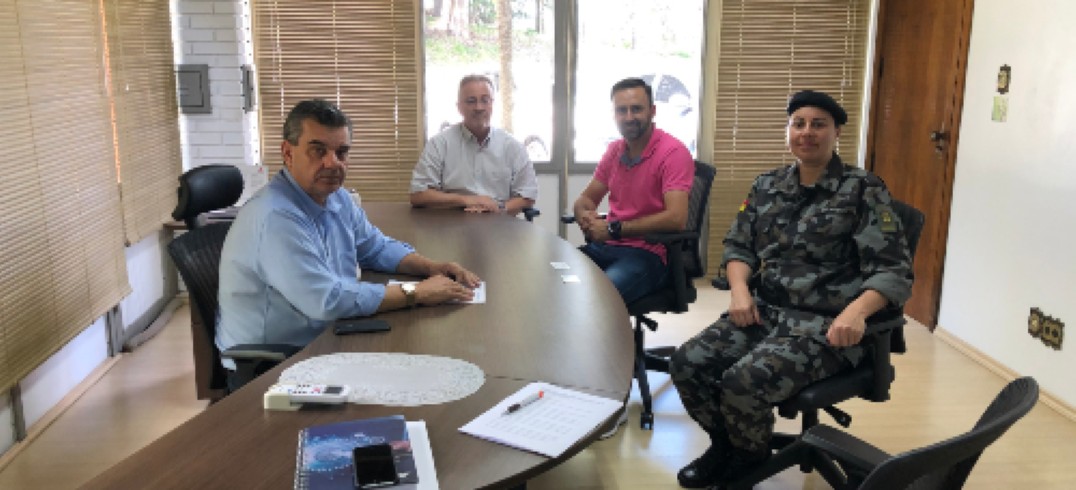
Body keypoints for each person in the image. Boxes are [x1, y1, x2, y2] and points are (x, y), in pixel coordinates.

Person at [669, 90, 913, 488]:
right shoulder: (767, 186)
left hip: (826, 328)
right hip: (765, 312)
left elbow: (893, 270)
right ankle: (727, 446)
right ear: (788, 131)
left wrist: (857, 312)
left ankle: (748, 460)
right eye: (798, 123)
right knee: (687, 362)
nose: (807, 132)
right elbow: (737, 246)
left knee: (742, 381)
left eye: (819, 124)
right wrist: (739, 291)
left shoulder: (862, 190)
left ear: (836, 132)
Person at [217, 99, 480, 390]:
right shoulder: (276, 217)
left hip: (326, 336)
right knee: (413, 383)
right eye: (318, 151)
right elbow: (327, 301)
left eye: (341, 152)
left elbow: (374, 247)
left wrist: (432, 267)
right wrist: (415, 292)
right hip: (275, 363)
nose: (333, 163)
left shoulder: (336, 196)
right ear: (287, 153)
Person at [572, 77, 695, 305]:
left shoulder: (673, 153)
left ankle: (605, 340)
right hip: (606, 248)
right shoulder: (615, 150)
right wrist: (586, 218)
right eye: (622, 110)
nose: (629, 117)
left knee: (595, 299)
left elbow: (676, 218)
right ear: (614, 115)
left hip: (648, 255)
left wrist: (613, 229)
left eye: (636, 109)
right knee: (555, 279)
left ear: (653, 111)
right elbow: (586, 199)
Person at [410, 74, 538, 216]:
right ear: (459, 107)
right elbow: (418, 194)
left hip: (499, 224)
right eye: (471, 101)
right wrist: (466, 200)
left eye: (485, 100)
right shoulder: (439, 144)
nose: (479, 107)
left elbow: (527, 196)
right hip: (450, 226)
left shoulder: (513, 147)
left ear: (492, 104)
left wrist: (499, 209)